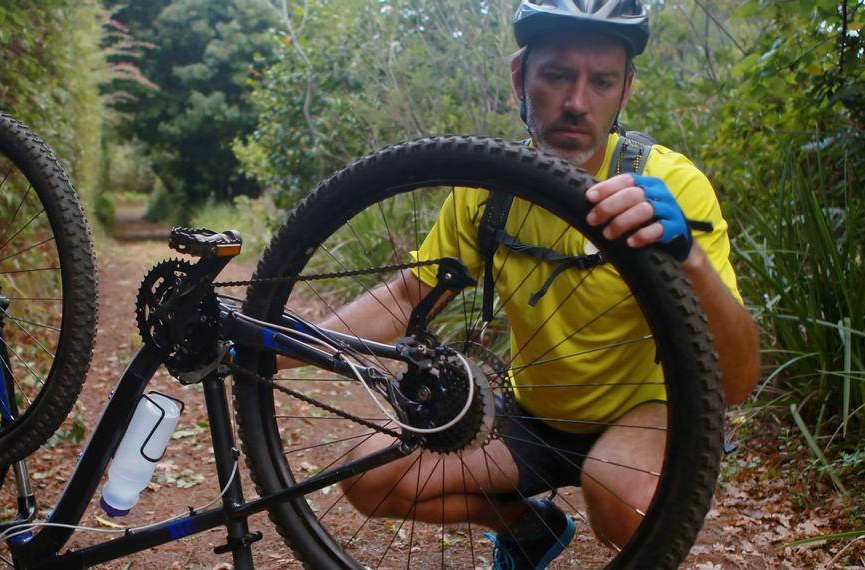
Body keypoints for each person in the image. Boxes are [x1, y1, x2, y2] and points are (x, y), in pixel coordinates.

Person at [291, 1, 760, 568]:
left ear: (627, 89)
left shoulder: (671, 184)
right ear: (521, 76)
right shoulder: (491, 186)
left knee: (623, 502)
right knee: (370, 477)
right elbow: (407, 296)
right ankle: (529, 530)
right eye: (557, 75)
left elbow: (735, 382)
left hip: (643, 415)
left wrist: (689, 259)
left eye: (601, 81)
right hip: (532, 414)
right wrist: (280, 344)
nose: (576, 103)